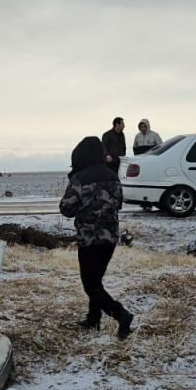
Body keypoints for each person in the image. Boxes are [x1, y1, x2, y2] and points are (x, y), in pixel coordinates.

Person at [59, 136, 134, 339]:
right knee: (96, 281)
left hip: (89, 239)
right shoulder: (113, 176)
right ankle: (93, 319)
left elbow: (66, 208)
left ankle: (121, 314)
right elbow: (118, 203)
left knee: (90, 285)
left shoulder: (79, 178)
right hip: (110, 238)